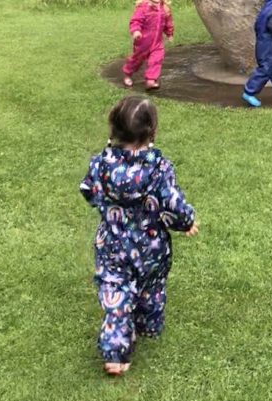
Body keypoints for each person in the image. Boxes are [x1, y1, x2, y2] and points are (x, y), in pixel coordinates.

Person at [80, 96, 198, 376]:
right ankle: (148, 324)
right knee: (151, 287)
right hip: (150, 246)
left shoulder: (100, 164)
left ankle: (116, 351)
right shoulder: (158, 168)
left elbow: (87, 189)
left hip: (112, 245)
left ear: (113, 129)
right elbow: (172, 202)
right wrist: (187, 221)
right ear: (152, 132)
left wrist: (105, 205)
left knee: (116, 293)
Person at [123, 0, 174, 90]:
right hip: (143, 41)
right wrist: (136, 31)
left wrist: (170, 33)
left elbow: (168, 22)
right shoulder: (144, 7)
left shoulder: (165, 8)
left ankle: (151, 80)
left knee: (157, 59)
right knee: (136, 60)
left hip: (158, 42)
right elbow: (136, 21)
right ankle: (127, 74)